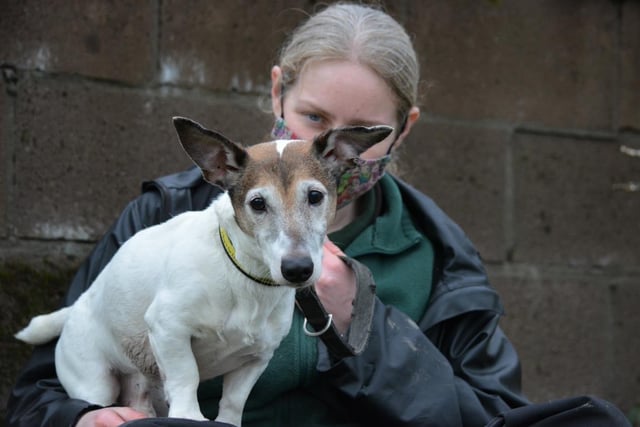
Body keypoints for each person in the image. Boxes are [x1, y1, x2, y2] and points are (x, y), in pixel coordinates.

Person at [5, 3, 631, 427]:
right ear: (277, 92)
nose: (333, 150)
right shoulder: (166, 215)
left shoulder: (439, 260)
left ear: (403, 129)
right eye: (312, 118)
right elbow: (38, 393)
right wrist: (82, 418)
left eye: (362, 132)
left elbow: (488, 415)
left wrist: (361, 326)